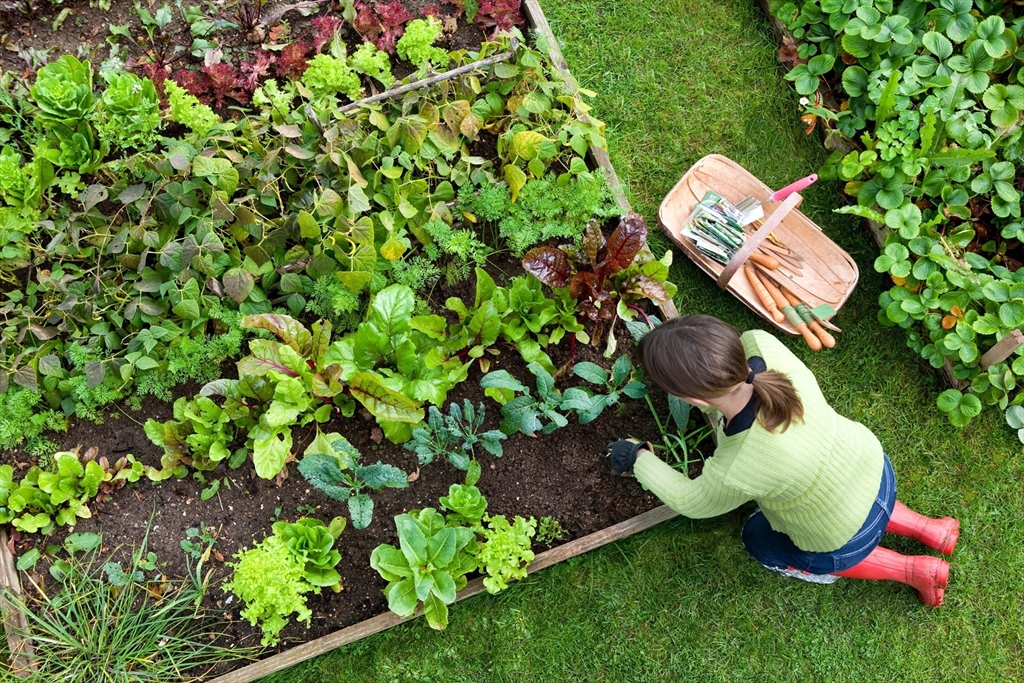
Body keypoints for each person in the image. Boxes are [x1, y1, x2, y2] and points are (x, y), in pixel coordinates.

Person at [606, 315, 960, 606]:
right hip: (873, 468)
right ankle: (931, 529)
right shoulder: (762, 344)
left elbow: (691, 501)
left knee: (758, 539)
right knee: (849, 495)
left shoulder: (739, 465)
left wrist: (637, 458)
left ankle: (913, 570)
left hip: (841, 536)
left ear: (695, 400)